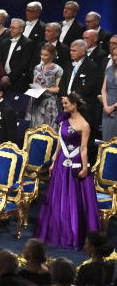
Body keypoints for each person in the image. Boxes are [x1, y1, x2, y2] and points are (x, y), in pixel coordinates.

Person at [37, 93, 100, 250]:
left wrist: (85, 168)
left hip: (76, 162)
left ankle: (72, 235)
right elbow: (60, 141)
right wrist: (53, 160)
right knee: (57, 196)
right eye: (63, 104)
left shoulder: (84, 125)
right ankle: (55, 231)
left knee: (73, 197)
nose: (63, 106)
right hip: (61, 162)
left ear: (74, 105)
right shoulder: (63, 119)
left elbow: (84, 148)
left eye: (66, 104)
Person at [26, 43, 63, 128]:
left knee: (47, 128)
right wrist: (34, 88)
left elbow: (58, 89)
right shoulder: (37, 68)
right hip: (36, 101)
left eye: (45, 55)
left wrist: (44, 89)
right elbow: (34, 84)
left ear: (52, 55)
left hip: (49, 102)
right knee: (33, 127)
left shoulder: (58, 69)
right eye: (41, 54)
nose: (42, 57)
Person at [103, 47, 117, 141]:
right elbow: (103, 89)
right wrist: (106, 106)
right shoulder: (109, 69)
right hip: (107, 110)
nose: (115, 57)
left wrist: (113, 107)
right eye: (113, 55)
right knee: (107, 139)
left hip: (114, 107)